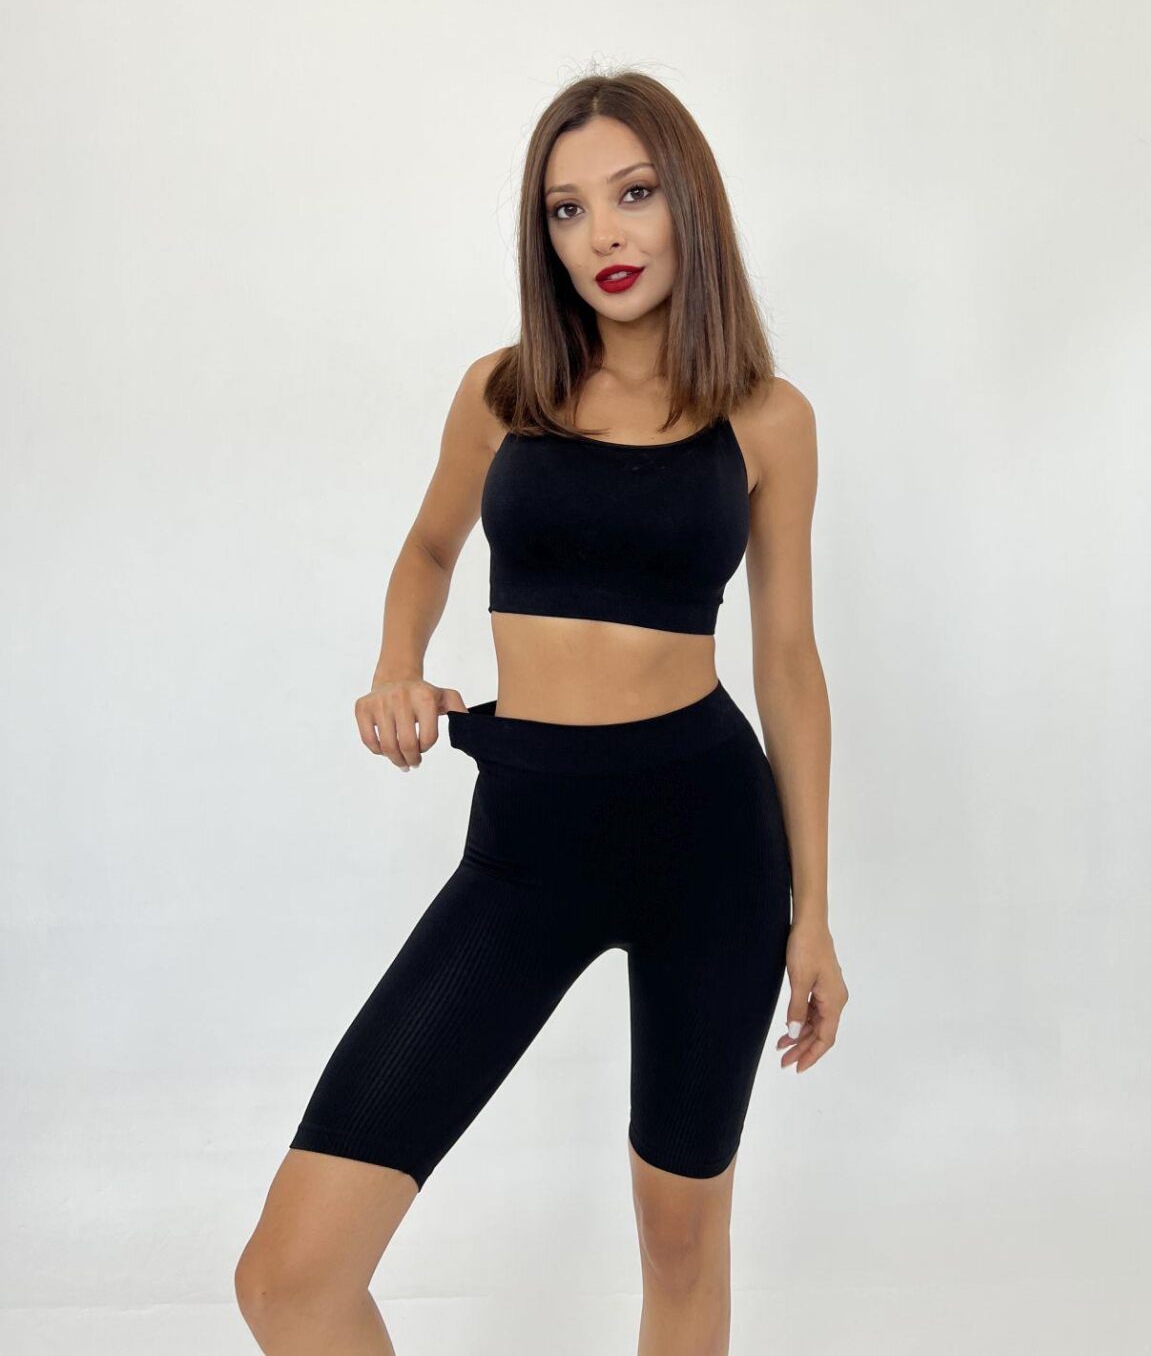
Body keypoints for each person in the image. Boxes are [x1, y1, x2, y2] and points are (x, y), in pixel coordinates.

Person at [234, 69, 848, 1355]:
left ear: (689, 203)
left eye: (634, 194)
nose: (603, 234)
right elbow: (428, 548)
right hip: (527, 846)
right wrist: (396, 663)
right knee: (290, 1278)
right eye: (567, 210)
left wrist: (815, 913)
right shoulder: (501, 392)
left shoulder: (769, 419)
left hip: (710, 847)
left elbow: (789, 663)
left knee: (681, 1245)